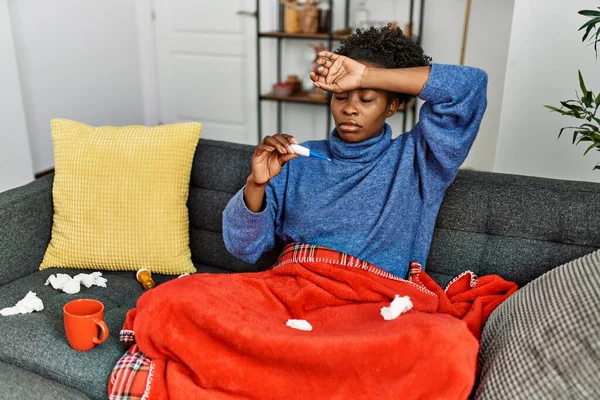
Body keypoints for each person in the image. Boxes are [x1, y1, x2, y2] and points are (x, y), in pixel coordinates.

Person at [222, 24, 488, 279]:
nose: (350, 108)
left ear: (392, 107)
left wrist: (365, 75)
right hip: (293, 289)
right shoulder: (295, 160)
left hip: (370, 302)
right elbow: (242, 248)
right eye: (341, 96)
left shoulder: (418, 161)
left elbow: (469, 87)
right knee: (186, 295)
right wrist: (256, 185)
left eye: (366, 98)